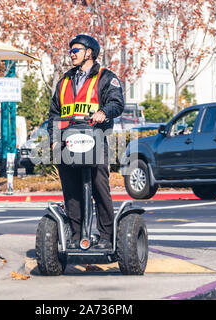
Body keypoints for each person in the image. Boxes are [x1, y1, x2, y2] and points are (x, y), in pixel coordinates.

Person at [47, 34, 124, 249]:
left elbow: (117, 103)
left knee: (99, 187)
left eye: (76, 50)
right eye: (71, 51)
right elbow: (54, 113)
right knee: (71, 191)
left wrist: (103, 112)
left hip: (95, 140)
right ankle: (75, 235)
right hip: (67, 142)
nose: (71, 54)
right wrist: (54, 139)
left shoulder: (106, 78)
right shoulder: (64, 81)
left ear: (89, 52)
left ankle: (106, 236)